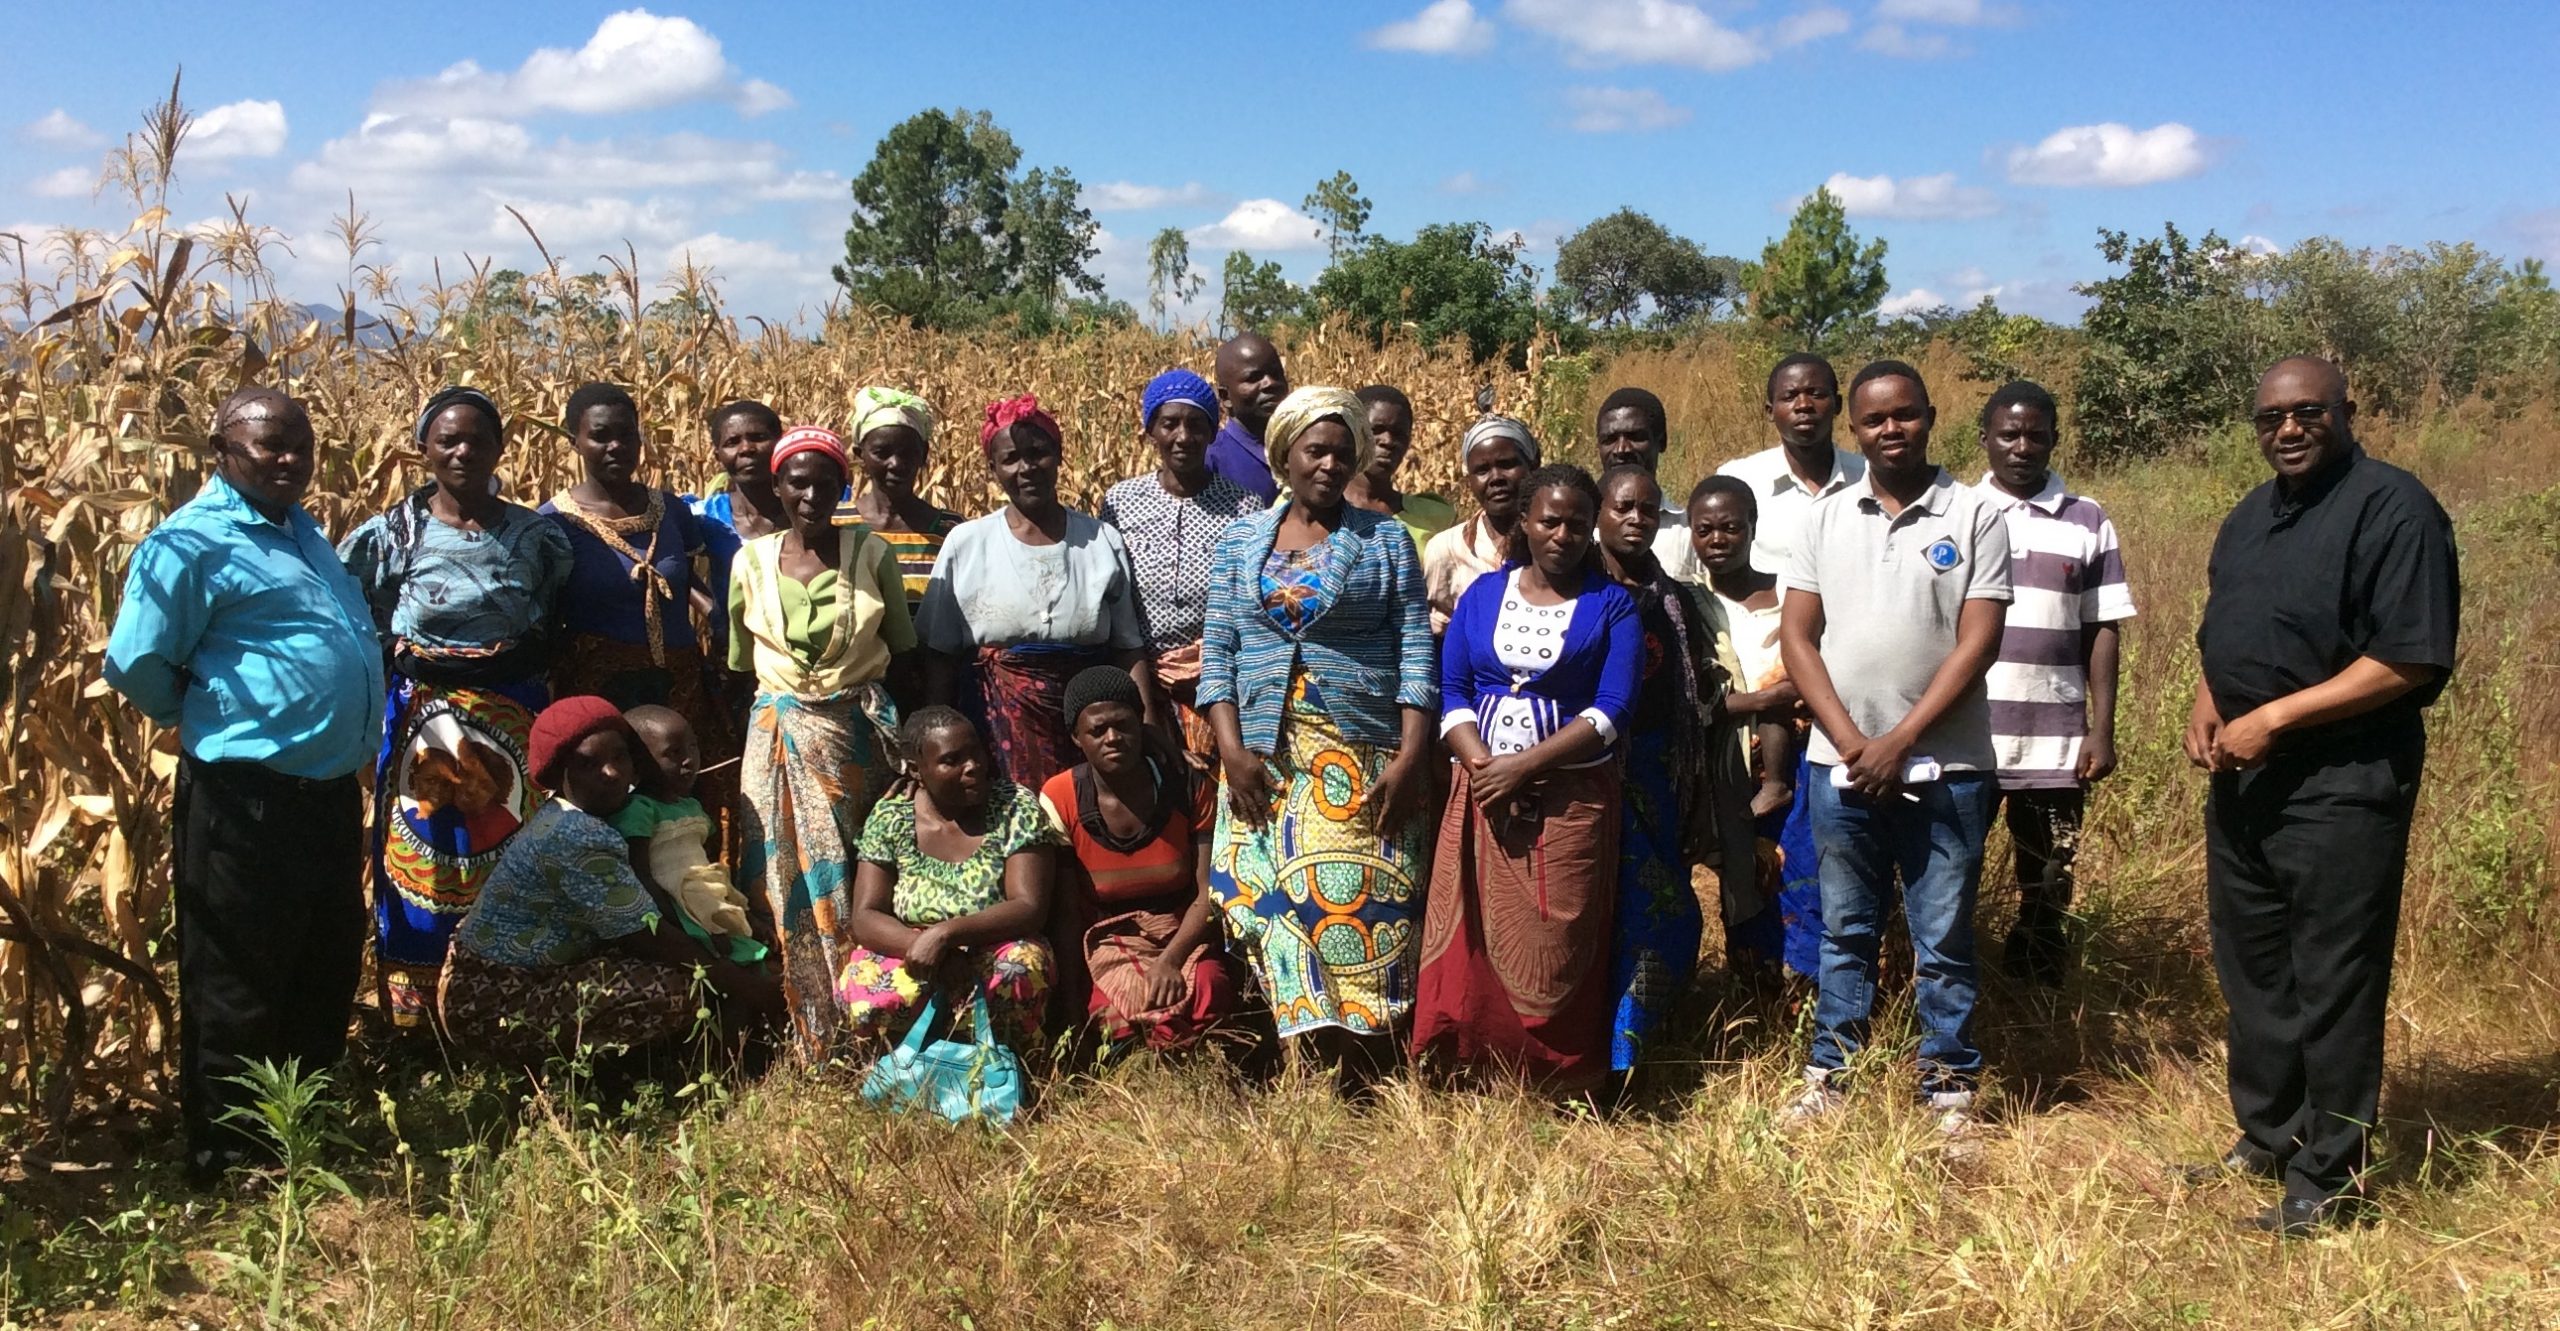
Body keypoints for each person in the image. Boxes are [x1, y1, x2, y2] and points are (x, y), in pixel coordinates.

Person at [2183, 356, 2457, 1236]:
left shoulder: (2393, 507)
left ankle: (2330, 1179)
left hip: (2341, 784)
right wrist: (2210, 705)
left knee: (2333, 976)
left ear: (2348, 408)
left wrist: (2276, 719)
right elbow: (2221, 626)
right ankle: (2268, 1136)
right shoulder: (2252, 515)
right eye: (2271, 418)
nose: (2289, 430)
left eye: (2308, 413)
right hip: (2245, 777)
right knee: (2254, 967)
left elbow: (2409, 657)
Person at [105, 387, 385, 1182]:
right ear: (223, 450)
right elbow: (136, 665)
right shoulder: (188, 544)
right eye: (271, 446)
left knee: (321, 962)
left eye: (301, 444)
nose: (290, 459)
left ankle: (299, 1132)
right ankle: (229, 1157)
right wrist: (216, 720)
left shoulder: (300, 531)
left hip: (325, 794)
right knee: (237, 975)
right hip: (244, 798)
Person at [1777, 359, 2011, 1136]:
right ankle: (1831, 1076)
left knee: (1942, 935)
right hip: (1839, 767)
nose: (1891, 429)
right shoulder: (1826, 517)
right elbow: (1799, 638)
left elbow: (1979, 640)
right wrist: (1851, 742)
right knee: (1844, 927)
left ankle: (1948, 1086)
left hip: (1948, 767)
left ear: (1931, 415)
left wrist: (1900, 741)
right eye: (1875, 419)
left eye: (1905, 415)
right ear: (1855, 428)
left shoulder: (1974, 514)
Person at [1200, 386, 1436, 1093]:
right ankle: (1292, 1053)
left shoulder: (1385, 539)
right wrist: (1232, 750)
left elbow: (1416, 652)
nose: (1331, 464)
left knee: (1360, 904)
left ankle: (1365, 1064)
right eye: (1316, 450)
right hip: (1262, 754)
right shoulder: (1241, 540)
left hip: (1357, 748)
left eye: (1343, 450)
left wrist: (1411, 755)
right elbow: (1219, 652)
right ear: (1285, 456)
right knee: (1260, 899)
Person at [340, 386, 573, 1028]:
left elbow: (549, 616)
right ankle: (419, 1013)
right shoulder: (390, 534)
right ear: (424, 451)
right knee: (428, 850)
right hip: (425, 719)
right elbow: (356, 619)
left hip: (512, 714)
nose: (464, 451)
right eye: (449, 440)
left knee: (509, 842)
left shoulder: (537, 536)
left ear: (502, 448)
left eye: (478, 439)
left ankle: (504, 1000)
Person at [1414, 465, 1639, 1094]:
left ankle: (1553, 1077)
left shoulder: (1611, 605)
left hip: (1569, 798)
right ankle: (1468, 1062)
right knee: (1473, 932)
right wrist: (1485, 767)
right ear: (1525, 522)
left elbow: (1612, 709)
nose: (1562, 534)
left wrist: (1525, 766)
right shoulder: (1482, 595)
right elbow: (1453, 689)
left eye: (1575, 522)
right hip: (1481, 790)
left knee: (1554, 936)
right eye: (1549, 520)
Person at [438, 696, 782, 1065]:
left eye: (620, 757)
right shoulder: (578, 836)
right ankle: (650, 1075)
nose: (612, 773)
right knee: (678, 987)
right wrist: (754, 990)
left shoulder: (570, 815)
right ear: (559, 773)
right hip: (495, 1002)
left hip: (492, 983)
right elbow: (650, 937)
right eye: (589, 764)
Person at [727, 425, 924, 1050]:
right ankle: (800, 1019)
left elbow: (903, 652)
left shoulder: (871, 554)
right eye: (797, 482)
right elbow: (739, 662)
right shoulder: (750, 561)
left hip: (853, 737)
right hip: (778, 738)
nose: (811, 495)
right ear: (777, 486)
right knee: (777, 873)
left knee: (855, 867)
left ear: (844, 485)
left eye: (825, 482)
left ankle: (867, 1012)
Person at [1593, 464, 1755, 1079]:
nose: (1637, 520)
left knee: (1661, 912)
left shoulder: (1677, 600)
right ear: (1600, 513)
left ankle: (1631, 1049)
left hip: (1662, 778)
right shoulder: (1574, 588)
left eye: (1650, 511)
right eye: (1623, 508)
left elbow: (1696, 699)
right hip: (1590, 777)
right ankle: (1585, 1050)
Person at [1975, 381, 2137, 985]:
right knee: (1952, 872)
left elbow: (2101, 628)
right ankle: (1959, 988)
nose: (2022, 446)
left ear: (2054, 440)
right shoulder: (1960, 511)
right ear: (1984, 439)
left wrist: (2101, 729)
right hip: (1969, 734)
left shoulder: (2087, 519)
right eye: (2009, 434)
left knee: (2046, 874)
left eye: (2036, 435)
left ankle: (2035, 989)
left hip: (2054, 737)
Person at [919, 395, 1160, 792]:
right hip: (995, 735)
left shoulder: (1100, 540)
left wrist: (1148, 728)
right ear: (992, 468)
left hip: (1092, 737)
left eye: (1039, 453)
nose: (1026, 468)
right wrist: (933, 746)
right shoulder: (967, 544)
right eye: (1011, 458)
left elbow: (1127, 648)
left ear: (1059, 455)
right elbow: (940, 658)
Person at [541, 382, 738, 840]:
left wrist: (715, 615)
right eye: (600, 435)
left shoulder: (669, 509)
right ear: (575, 440)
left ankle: (697, 903)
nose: (616, 447)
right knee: (610, 805)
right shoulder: (552, 523)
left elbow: (683, 577)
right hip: (600, 690)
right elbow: (547, 611)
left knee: (687, 797)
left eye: (627, 435)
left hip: (678, 680)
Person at [1039, 667, 1242, 1051]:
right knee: (1111, 1015)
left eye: (1123, 725)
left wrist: (1171, 959)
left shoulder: (1186, 783)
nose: (1113, 738)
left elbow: (1208, 894)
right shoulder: (1061, 796)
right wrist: (1071, 1004)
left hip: (1182, 932)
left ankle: (1208, 1066)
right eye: (1097, 731)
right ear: (1076, 738)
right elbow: (1066, 914)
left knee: (1209, 986)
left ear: (1141, 724)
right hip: (1108, 938)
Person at [835, 707, 1060, 1052]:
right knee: (864, 982)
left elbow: (1029, 906)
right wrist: (924, 948)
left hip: (994, 942)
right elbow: (866, 915)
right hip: (913, 949)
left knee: (1019, 968)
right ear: (916, 769)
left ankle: (1008, 1069)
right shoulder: (892, 816)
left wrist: (945, 934)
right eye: (952, 760)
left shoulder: (1014, 806)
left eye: (976, 753)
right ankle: (902, 1071)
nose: (973, 767)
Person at [1689, 476, 1821, 981]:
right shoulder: (1689, 604)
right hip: (1726, 766)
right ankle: (1756, 996)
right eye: (1705, 530)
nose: (1718, 539)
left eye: (1731, 527)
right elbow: (1692, 700)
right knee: (1746, 881)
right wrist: (1764, 697)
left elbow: (1819, 672)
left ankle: (1806, 990)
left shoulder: (1792, 592)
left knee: (1802, 873)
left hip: (1801, 757)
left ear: (1753, 528)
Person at [1099, 369, 1264, 768]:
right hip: (1140, 676)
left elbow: (1248, 605)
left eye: (1196, 424)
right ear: (1151, 430)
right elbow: (1113, 598)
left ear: (1212, 432)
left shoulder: (1245, 507)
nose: (1183, 437)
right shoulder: (1121, 502)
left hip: (1220, 684)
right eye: (1169, 423)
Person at [610, 705, 768, 966]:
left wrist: (741, 916)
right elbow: (642, 878)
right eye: (673, 752)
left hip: (706, 901)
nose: (689, 760)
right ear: (639, 761)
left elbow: (703, 869)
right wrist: (694, 928)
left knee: (751, 960)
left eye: (693, 747)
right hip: (677, 913)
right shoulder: (639, 810)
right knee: (726, 969)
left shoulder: (690, 806)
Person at [1717, 354, 1864, 579]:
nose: (1804, 405)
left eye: (1816, 394)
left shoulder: (1870, 477)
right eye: (1789, 396)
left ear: (1838, 405)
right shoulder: (1738, 481)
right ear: (1770, 411)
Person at [833, 386, 962, 612]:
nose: (896, 464)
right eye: (882, 453)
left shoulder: (952, 530)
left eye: (907, 452)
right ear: (859, 454)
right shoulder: (836, 523)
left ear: (923, 454)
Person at [1422, 415, 1536, 633]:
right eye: (1482, 470)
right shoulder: (1446, 550)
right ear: (1470, 481)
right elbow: (1438, 632)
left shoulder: (1559, 538)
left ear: (1533, 465)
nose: (1496, 478)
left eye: (1507, 464)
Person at [1593, 387, 1700, 578]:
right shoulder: (1577, 528)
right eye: (1609, 440)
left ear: (1662, 441)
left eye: (1635, 437)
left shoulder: (1687, 533)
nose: (1621, 449)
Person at [1348, 384, 1458, 546]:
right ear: (1352, 432)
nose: (1388, 441)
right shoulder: (1317, 510)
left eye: (1399, 434)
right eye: (1376, 429)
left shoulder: (1437, 517)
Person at [1206, 332, 1290, 503]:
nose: (1270, 383)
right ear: (1225, 397)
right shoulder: (1211, 462)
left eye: (1276, 374)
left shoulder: (1306, 449)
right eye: (1253, 378)